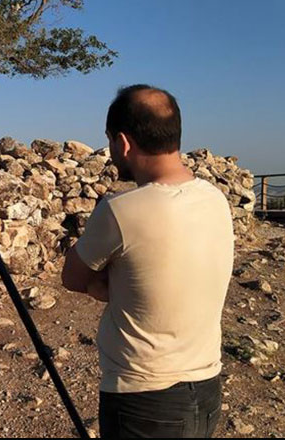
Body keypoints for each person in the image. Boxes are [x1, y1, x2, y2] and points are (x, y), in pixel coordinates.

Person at [61, 85, 234, 438]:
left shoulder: (121, 211)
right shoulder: (215, 200)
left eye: (110, 141)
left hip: (144, 398)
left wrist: (109, 285)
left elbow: (73, 278)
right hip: (206, 388)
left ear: (123, 142)